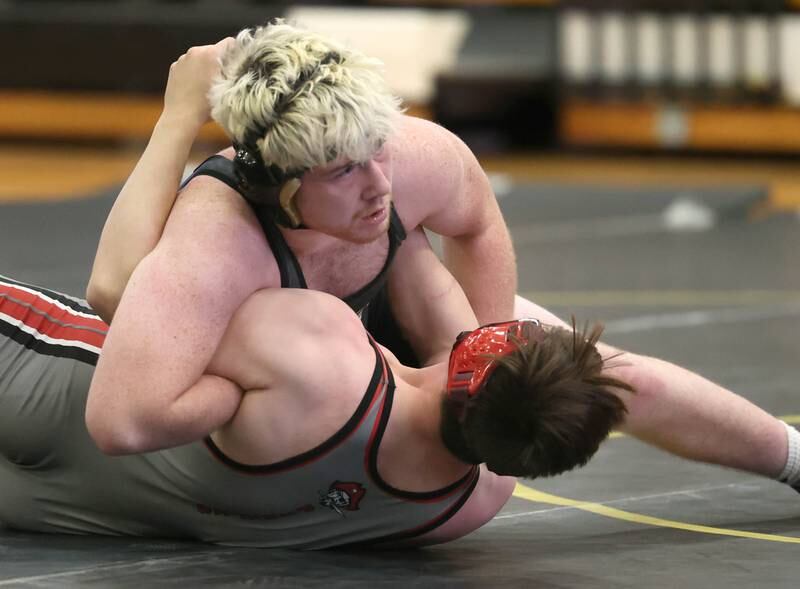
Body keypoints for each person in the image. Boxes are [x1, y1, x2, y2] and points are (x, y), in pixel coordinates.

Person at [84, 20, 799, 501]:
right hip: (297, 382)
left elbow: (478, 223)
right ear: (284, 191)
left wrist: (484, 357)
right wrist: (179, 118)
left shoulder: (413, 155)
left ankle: (791, 455)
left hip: (403, 325)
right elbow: (115, 294)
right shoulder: (222, 232)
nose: (381, 186)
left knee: (600, 376)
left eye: (378, 149)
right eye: (343, 172)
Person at [0, 266, 630, 548]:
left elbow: (132, 287)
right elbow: (426, 287)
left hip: (55, 381)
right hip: (67, 510)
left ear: (473, 366)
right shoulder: (464, 507)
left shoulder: (320, 353)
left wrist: (178, 122)